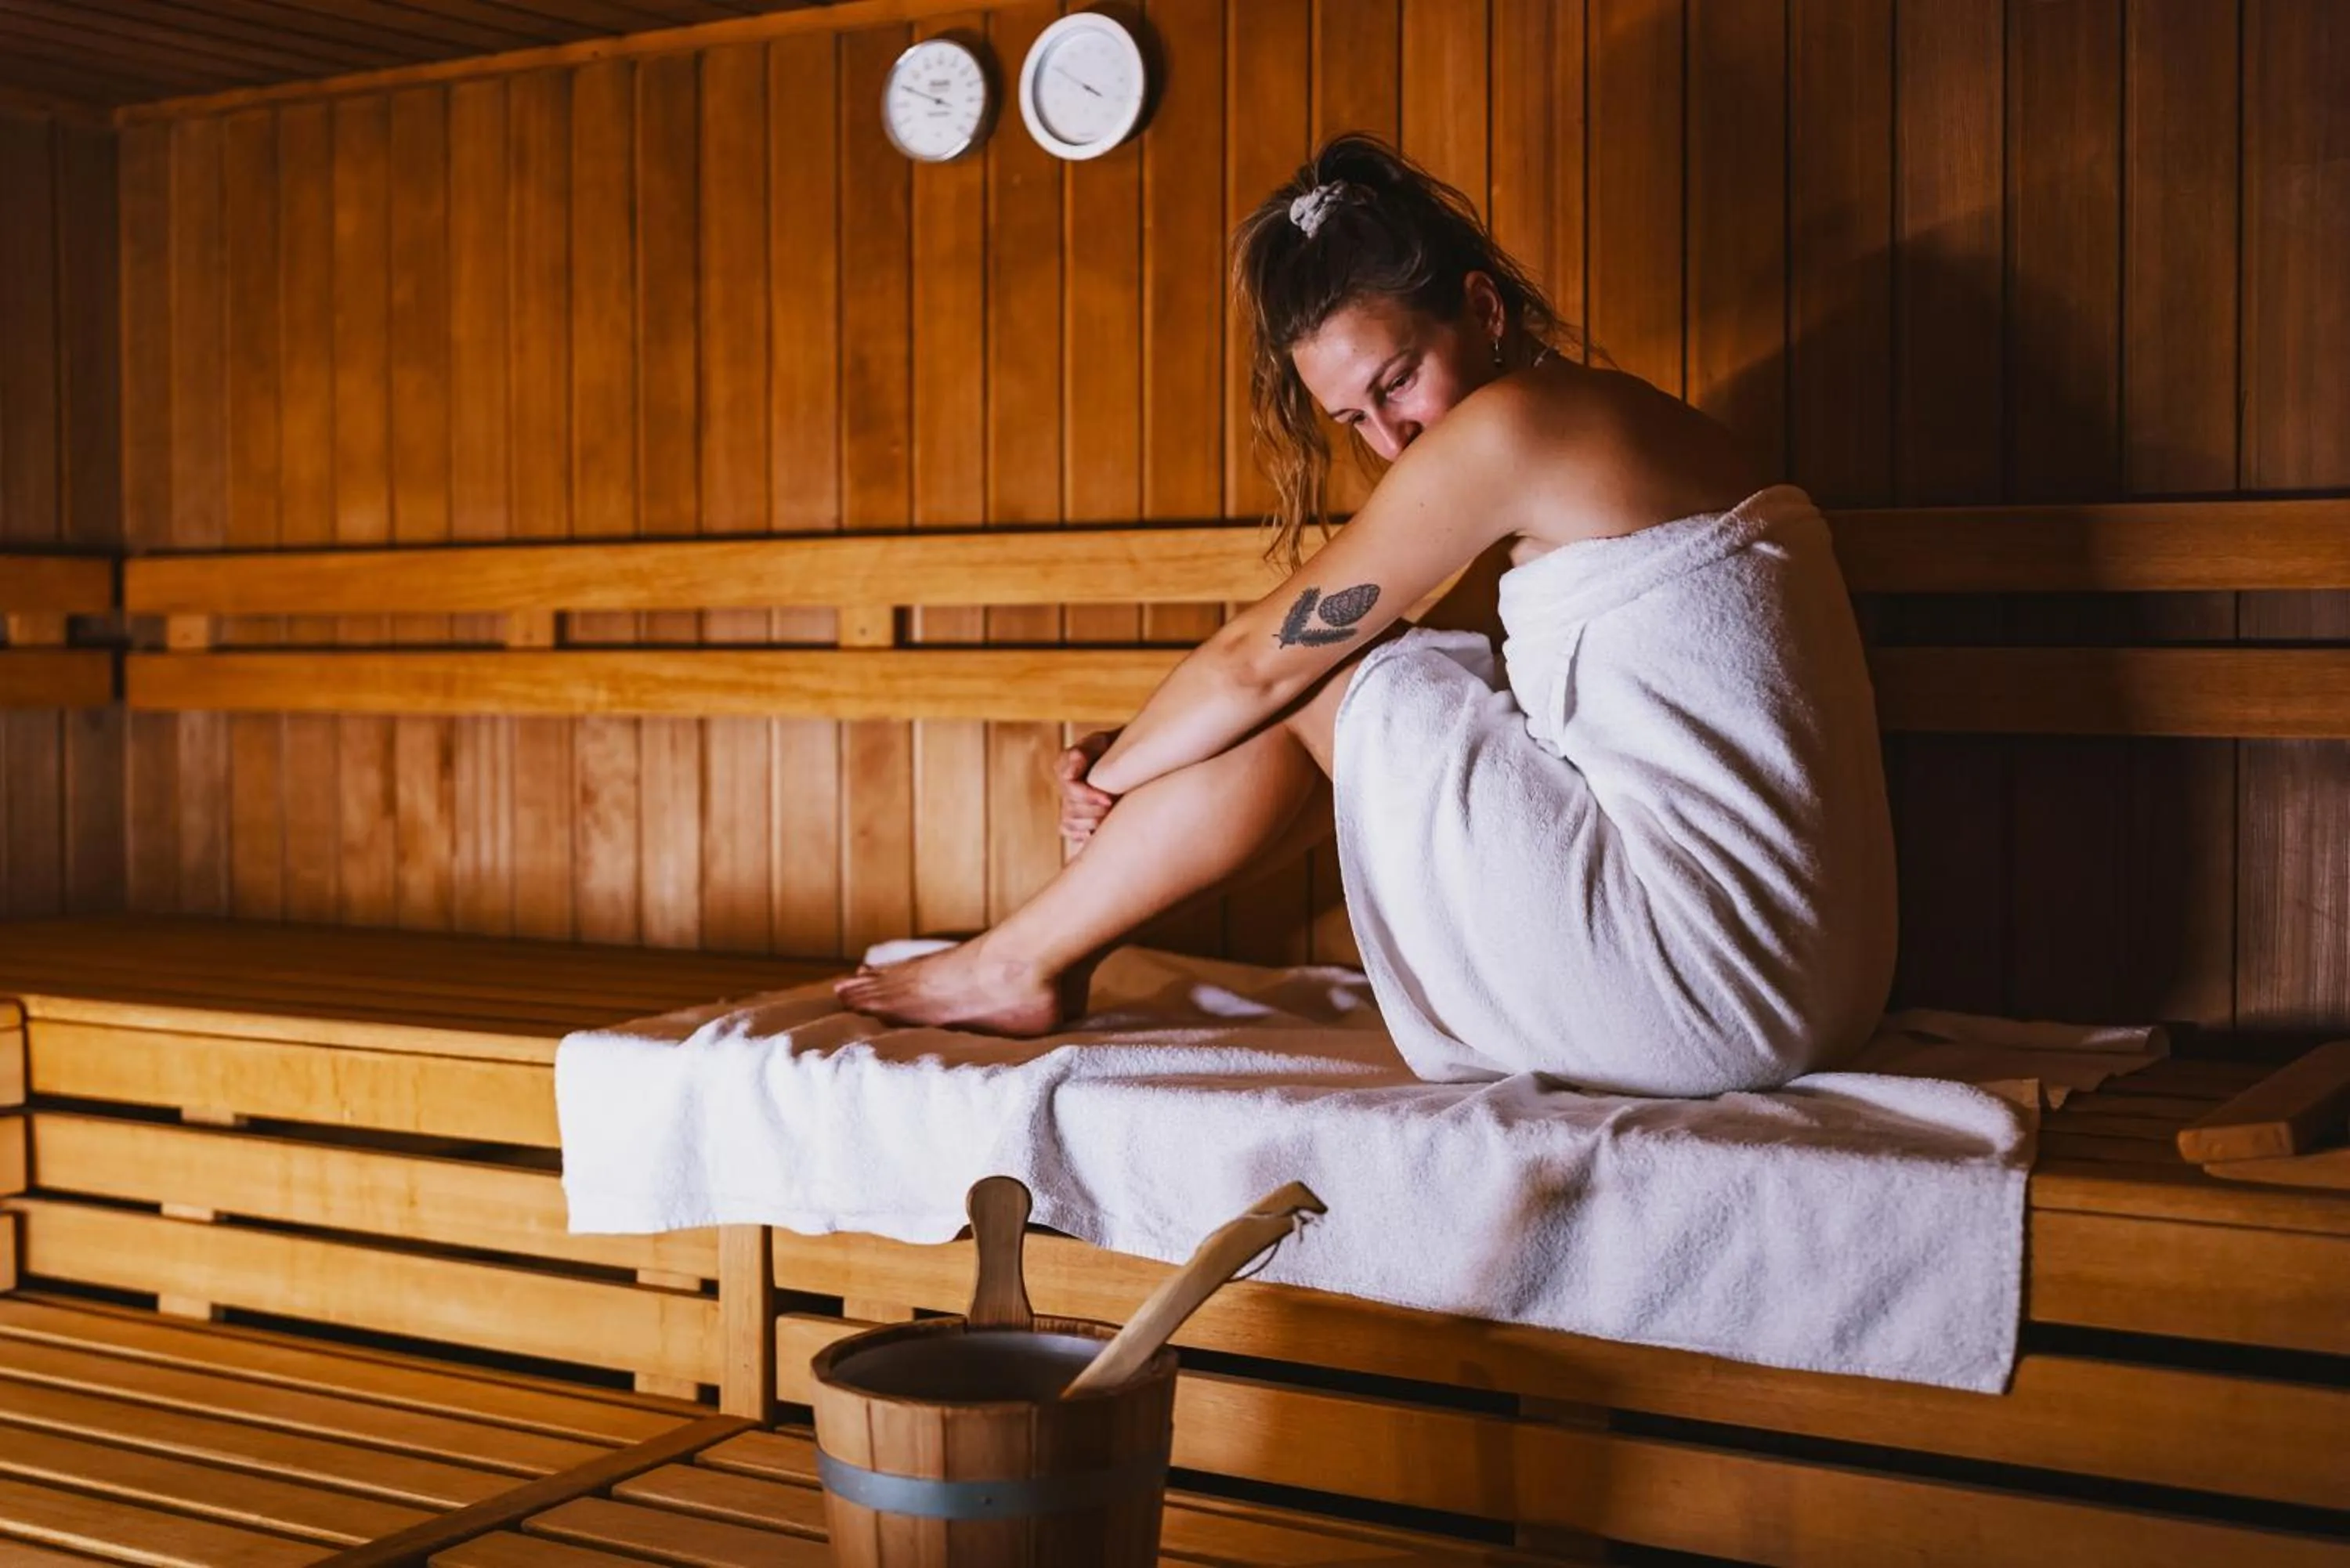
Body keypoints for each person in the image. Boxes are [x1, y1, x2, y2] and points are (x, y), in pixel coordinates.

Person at [837, 134, 1896, 1097]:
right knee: (1367, 677)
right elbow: (1330, 731)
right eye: (1354, 417)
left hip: (1702, 984)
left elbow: (1259, 663)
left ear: (1483, 310)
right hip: (1809, 987)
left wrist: (1107, 780)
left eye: (1397, 382)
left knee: (1339, 671)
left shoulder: (1517, 428)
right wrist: (1145, 753)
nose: (1392, 440)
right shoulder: (1607, 432)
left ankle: (1017, 958)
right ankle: (1040, 955)